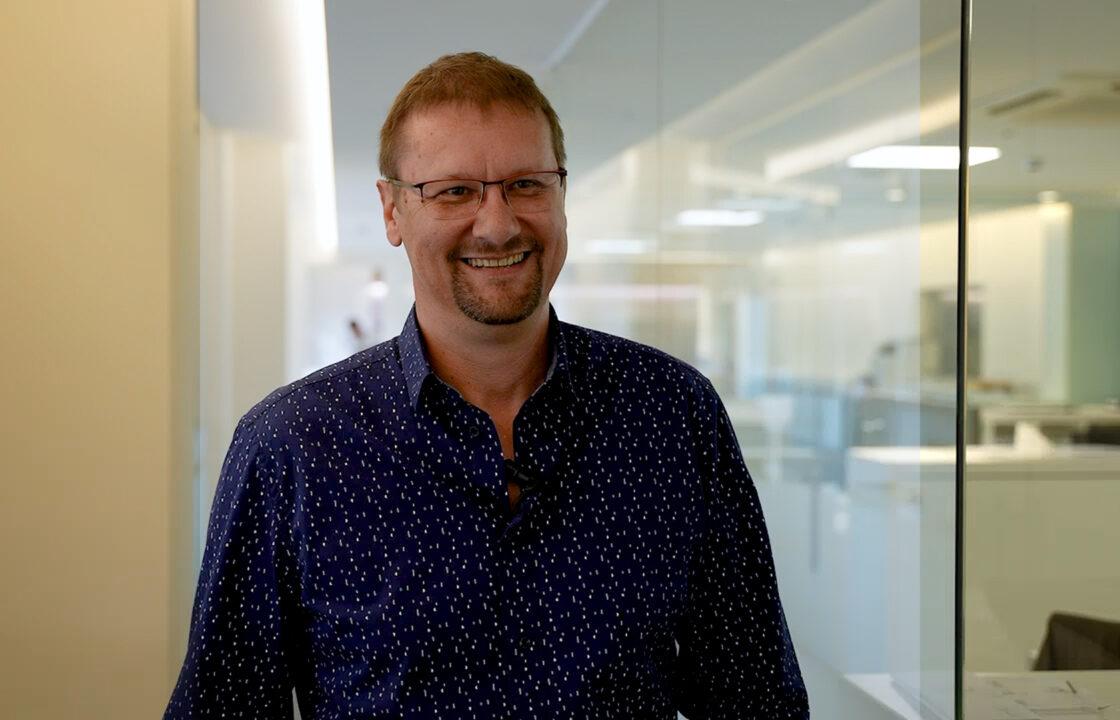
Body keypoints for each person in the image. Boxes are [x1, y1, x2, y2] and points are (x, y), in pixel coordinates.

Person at [166, 52, 808, 719]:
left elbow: (756, 697)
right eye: (455, 191)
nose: (498, 223)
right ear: (391, 211)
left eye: (526, 185)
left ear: (561, 194)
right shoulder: (293, 447)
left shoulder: (672, 415)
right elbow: (223, 706)